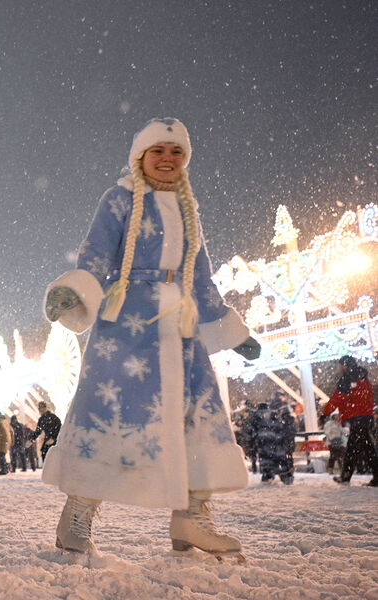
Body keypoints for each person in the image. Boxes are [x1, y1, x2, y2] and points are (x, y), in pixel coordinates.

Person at [42, 118, 260, 558]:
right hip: (127, 323)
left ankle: (193, 518)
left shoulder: (188, 209)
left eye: (176, 152)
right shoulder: (118, 200)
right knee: (110, 410)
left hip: (182, 329)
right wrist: (76, 289)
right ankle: (77, 516)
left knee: (196, 414)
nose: (167, 159)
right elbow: (96, 255)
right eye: (158, 151)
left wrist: (231, 329)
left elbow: (200, 277)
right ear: (141, 156)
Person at [321, 356, 378, 486]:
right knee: (366, 448)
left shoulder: (347, 378)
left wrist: (325, 413)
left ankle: (346, 476)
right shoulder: (364, 379)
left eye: (340, 365)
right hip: (366, 417)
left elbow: (337, 398)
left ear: (345, 366)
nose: (339, 369)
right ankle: (370, 476)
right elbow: (367, 399)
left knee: (354, 448)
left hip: (357, 418)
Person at [249, 393, 295, 485]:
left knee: (266, 460)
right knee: (280, 458)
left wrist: (253, 442)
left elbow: (251, 431)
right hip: (276, 441)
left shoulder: (255, 417)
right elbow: (280, 427)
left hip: (263, 442)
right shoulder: (273, 415)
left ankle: (268, 476)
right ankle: (286, 476)